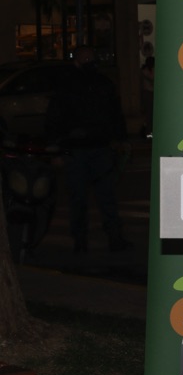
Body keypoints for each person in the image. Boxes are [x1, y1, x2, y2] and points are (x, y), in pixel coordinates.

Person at [45, 45, 132, 253]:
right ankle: (81, 240)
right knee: (79, 199)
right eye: (86, 59)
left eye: (91, 58)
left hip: (99, 147)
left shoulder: (101, 83)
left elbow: (115, 113)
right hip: (76, 150)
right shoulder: (67, 85)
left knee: (105, 196)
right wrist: (55, 149)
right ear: (76, 61)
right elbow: (54, 118)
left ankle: (112, 237)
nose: (90, 62)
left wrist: (121, 139)